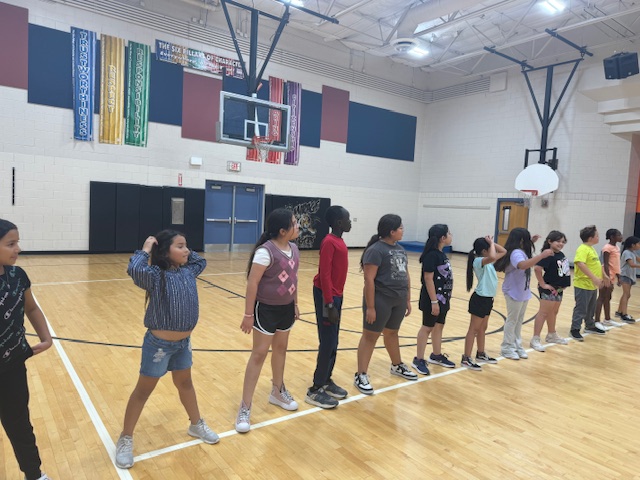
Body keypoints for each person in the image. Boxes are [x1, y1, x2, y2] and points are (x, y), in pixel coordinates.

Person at [116, 230, 218, 469]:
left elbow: (200, 260)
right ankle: (125, 438)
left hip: (183, 344)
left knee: (185, 384)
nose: (186, 251)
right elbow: (134, 269)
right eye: (180, 246)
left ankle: (196, 424)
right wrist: (146, 247)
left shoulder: (188, 270)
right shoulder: (154, 275)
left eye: (187, 246)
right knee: (143, 391)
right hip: (158, 346)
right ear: (165, 252)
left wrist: (185, 251)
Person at [236, 209, 300, 433]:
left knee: (281, 349)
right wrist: (247, 314)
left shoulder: (294, 249)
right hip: (265, 310)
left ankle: (277, 391)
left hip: (286, 309)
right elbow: (252, 283)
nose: (298, 226)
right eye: (294, 223)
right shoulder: (266, 252)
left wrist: (296, 303)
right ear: (283, 230)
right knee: (259, 354)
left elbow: (294, 278)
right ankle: (245, 407)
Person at [0, 219, 53, 480]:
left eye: (17, 242)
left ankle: (34, 474)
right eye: (11, 243)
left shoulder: (17, 276)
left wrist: (46, 337)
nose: (18, 248)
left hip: (12, 366)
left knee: (19, 423)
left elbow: (30, 307)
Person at [354, 214, 417, 395]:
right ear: (391, 231)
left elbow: (406, 274)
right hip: (381, 299)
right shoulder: (375, 250)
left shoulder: (400, 249)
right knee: (370, 337)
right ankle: (361, 374)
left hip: (398, 299)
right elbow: (369, 279)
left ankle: (397, 365)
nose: (403, 230)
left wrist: (407, 298)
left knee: (392, 333)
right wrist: (371, 306)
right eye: (400, 228)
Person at [306, 206, 352, 409]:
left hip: (336, 295)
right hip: (327, 296)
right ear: (339, 222)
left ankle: (326, 379)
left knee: (334, 340)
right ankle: (315, 389)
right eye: (348, 218)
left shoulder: (339, 241)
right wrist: (329, 302)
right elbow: (324, 274)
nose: (351, 222)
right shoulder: (328, 242)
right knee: (327, 341)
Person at [495, 228, 553, 360]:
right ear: (521, 240)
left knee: (518, 321)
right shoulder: (516, 253)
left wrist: (532, 241)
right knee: (512, 320)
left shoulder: (520, 251)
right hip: (513, 291)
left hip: (522, 291)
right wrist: (541, 256)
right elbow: (522, 265)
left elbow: (525, 260)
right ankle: (507, 348)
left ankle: (516, 345)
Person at [412, 224, 455, 374]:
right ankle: (418, 359)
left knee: (439, 326)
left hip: (443, 299)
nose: (451, 235)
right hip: (432, 300)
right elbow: (428, 278)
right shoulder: (431, 255)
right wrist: (434, 301)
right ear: (443, 238)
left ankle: (436, 355)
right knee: (427, 327)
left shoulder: (441, 254)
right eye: (449, 233)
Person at [461, 235, 506, 371]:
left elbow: (503, 252)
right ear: (484, 251)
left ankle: (480, 353)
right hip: (480, 298)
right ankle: (466, 358)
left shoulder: (487, 261)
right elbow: (493, 256)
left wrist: (491, 243)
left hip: (487, 299)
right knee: (473, 329)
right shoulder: (478, 261)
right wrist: (491, 243)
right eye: (489, 248)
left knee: (482, 328)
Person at [529, 231, 571, 352]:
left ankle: (551, 334)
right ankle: (535, 339)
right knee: (544, 312)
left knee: (553, 312)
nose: (561, 244)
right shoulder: (547, 254)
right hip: (549, 288)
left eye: (563, 242)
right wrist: (543, 284)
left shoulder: (560, 254)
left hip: (559, 289)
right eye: (558, 241)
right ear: (550, 241)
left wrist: (564, 285)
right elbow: (537, 269)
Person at [570, 225, 609, 341]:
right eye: (597, 235)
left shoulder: (591, 249)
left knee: (591, 307)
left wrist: (604, 276)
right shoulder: (582, 249)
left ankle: (589, 325)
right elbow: (580, 264)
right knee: (581, 308)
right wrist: (594, 278)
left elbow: (596, 265)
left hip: (592, 285)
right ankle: (574, 329)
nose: (598, 237)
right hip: (583, 284)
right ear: (591, 237)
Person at [596, 229, 623, 327]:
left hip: (612, 276)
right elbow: (605, 264)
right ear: (612, 237)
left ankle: (607, 319)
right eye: (619, 235)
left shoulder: (617, 247)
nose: (621, 236)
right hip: (606, 276)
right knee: (601, 297)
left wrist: (618, 277)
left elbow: (616, 265)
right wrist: (607, 278)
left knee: (608, 298)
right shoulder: (607, 248)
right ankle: (597, 321)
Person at [616, 236, 640, 323]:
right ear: (633, 245)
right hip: (625, 276)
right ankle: (624, 314)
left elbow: (638, 260)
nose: (639, 245)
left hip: (629, 276)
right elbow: (632, 264)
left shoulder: (632, 252)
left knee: (626, 294)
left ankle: (619, 311)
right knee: (627, 294)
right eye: (638, 243)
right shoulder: (627, 253)